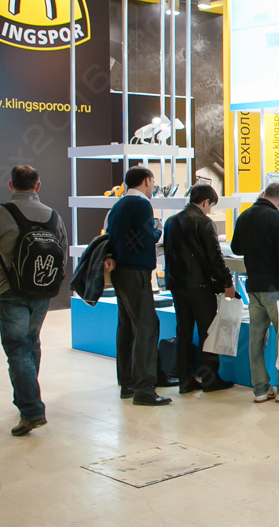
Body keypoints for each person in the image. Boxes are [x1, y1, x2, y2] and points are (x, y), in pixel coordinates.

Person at [0, 165, 67, 437]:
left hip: (8, 290)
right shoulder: (53, 215)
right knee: (31, 342)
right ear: (38, 186)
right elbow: (61, 254)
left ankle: (31, 410)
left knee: (17, 348)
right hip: (43, 290)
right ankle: (26, 399)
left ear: (11, 185)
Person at [231, 182, 279, 403]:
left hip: (253, 288)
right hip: (276, 289)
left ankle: (260, 389)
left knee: (256, 341)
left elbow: (236, 248)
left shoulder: (244, 216)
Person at [105, 166, 170, 406]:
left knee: (127, 327)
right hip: (136, 272)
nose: (153, 187)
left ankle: (128, 383)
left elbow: (111, 237)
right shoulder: (142, 205)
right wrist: (158, 231)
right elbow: (144, 238)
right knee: (146, 327)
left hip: (121, 272)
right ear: (146, 181)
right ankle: (144, 389)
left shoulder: (118, 205)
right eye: (153, 182)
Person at [163, 183, 236, 394]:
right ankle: (209, 378)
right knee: (208, 332)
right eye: (211, 206)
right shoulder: (204, 222)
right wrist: (227, 282)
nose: (210, 210)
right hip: (200, 286)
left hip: (177, 284)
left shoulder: (171, 221)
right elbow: (215, 257)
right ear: (205, 202)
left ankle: (185, 380)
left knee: (183, 331)